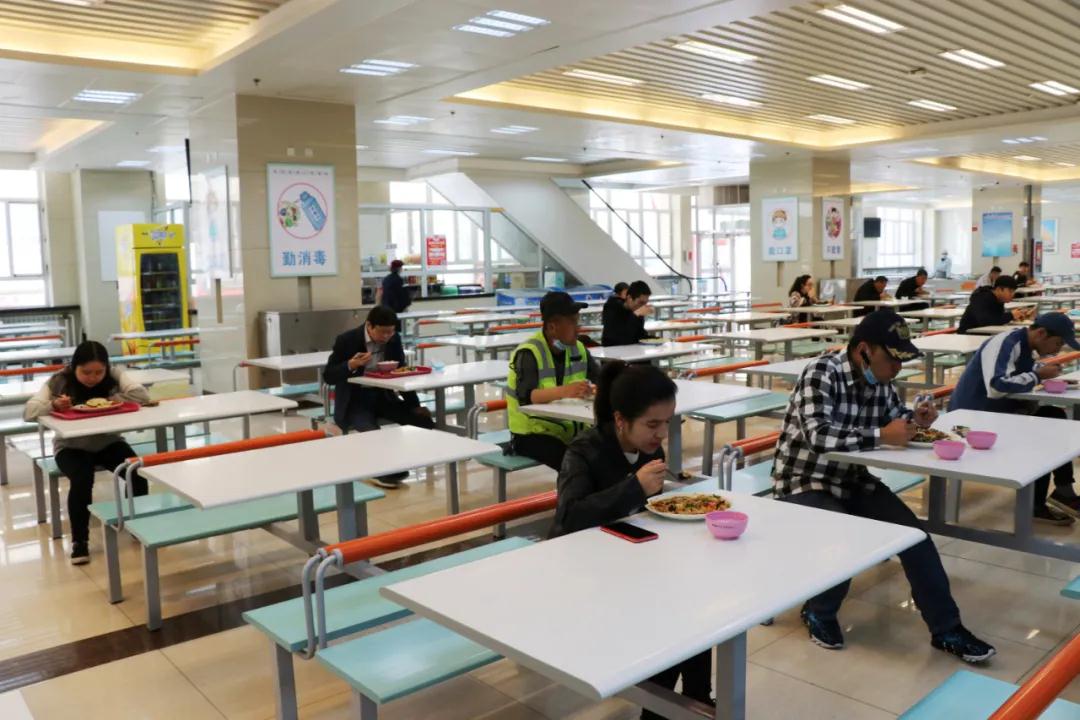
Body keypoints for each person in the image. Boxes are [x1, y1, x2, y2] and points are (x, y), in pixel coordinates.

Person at [771, 309, 995, 663]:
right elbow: (818, 437)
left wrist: (914, 420)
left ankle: (947, 628)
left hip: (852, 479)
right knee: (845, 537)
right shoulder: (821, 373)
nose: (897, 368)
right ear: (864, 350)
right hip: (803, 480)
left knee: (914, 538)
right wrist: (880, 435)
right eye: (892, 359)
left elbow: (893, 419)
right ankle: (818, 611)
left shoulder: (880, 382)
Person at [552, 362, 712, 717]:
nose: (662, 434)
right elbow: (570, 517)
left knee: (695, 603)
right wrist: (634, 487)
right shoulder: (584, 451)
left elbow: (645, 510)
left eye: (667, 422)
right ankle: (663, 710)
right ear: (621, 420)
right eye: (652, 425)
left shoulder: (649, 449)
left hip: (628, 558)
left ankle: (697, 698)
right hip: (583, 571)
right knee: (669, 619)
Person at [23, 341, 151, 565]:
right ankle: (79, 541)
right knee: (82, 479)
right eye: (86, 372)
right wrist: (53, 405)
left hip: (108, 442)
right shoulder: (59, 380)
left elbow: (142, 396)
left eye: (99, 372)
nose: (93, 378)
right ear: (74, 367)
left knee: (136, 472)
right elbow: (28, 411)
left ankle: (136, 525)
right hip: (71, 447)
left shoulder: (112, 376)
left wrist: (115, 382)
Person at [949, 313, 1080, 523]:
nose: (1057, 350)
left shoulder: (1025, 346)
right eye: (1057, 343)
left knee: (1053, 416)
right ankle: (1036, 505)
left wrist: (1041, 370)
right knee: (1043, 432)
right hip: (965, 425)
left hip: (993, 416)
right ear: (1041, 333)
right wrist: (1038, 376)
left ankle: (1063, 491)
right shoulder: (1006, 343)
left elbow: (1018, 368)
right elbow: (996, 386)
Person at [323, 305, 434, 488]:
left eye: (391, 332)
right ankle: (379, 471)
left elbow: (401, 372)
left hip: (384, 396)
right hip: (355, 400)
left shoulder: (394, 339)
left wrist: (414, 405)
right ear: (369, 325)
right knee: (373, 433)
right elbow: (329, 376)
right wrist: (350, 365)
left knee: (423, 421)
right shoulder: (347, 340)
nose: (387, 337)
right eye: (383, 332)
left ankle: (399, 463)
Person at [506, 291, 600, 470]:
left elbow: (599, 379)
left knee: (607, 448)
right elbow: (526, 397)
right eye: (572, 322)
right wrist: (566, 391)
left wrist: (595, 389)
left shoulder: (578, 348)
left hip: (568, 429)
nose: (578, 328)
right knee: (573, 462)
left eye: (578, 321)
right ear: (552, 327)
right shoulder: (529, 352)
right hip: (532, 433)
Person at [957, 275, 1031, 334]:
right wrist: (1011, 315)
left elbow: (997, 318)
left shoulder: (999, 300)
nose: (1012, 295)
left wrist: (1014, 317)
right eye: (1010, 291)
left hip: (984, 333)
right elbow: (985, 321)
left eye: (1014, 292)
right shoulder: (982, 297)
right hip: (968, 334)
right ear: (999, 289)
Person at [602, 280, 653, 346]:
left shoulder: (637, 310)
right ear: (629, 298)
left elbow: (639, 335)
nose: (643, 306)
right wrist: (636, 314)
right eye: (641, 302)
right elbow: (621, 338)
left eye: (645, 303)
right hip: (611, 349)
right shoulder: (611, 307)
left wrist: (655, 339)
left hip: (632, 349)